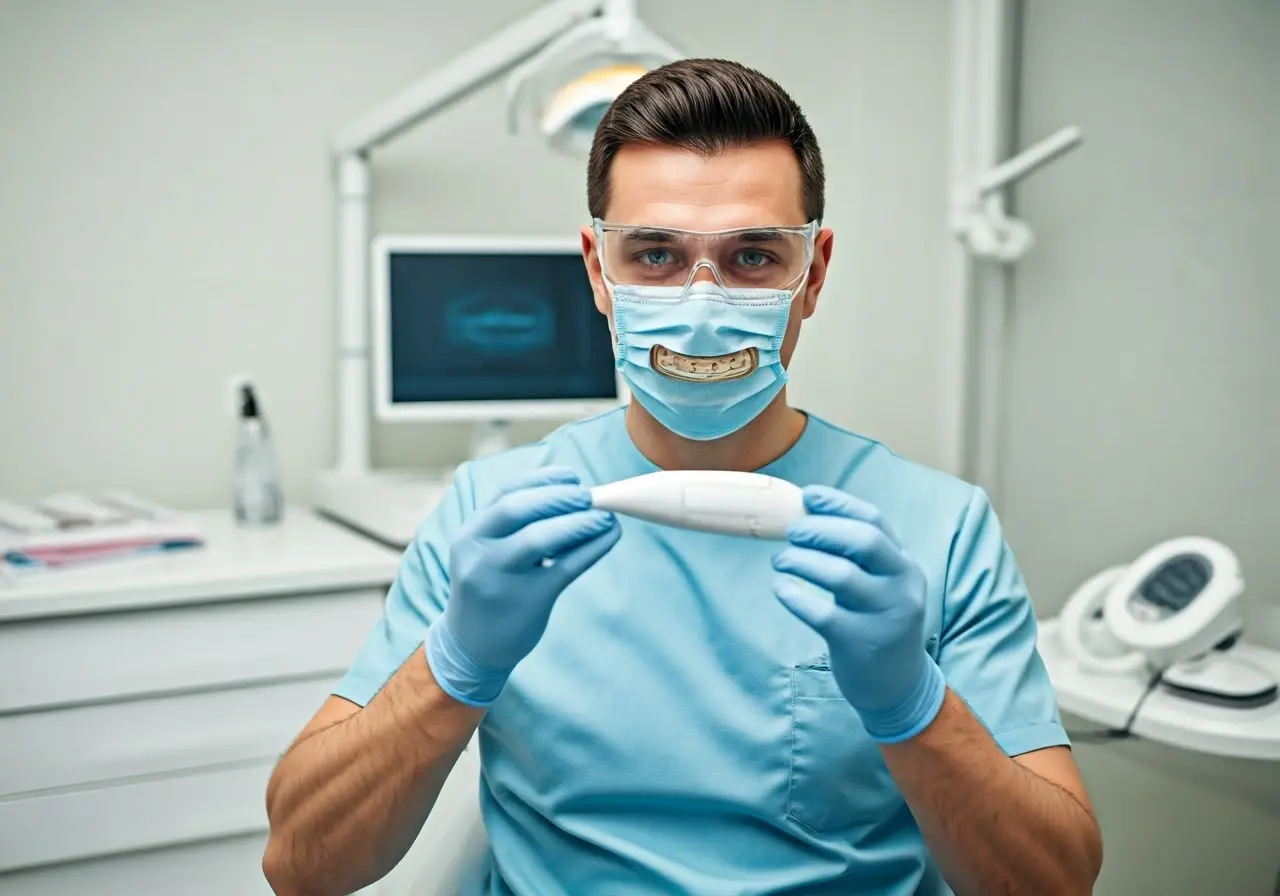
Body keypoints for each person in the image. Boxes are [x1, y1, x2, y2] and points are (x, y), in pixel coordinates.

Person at [263, 58, 1103, 896]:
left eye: (753, 257)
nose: (702, 304)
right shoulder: (495, 516)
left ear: (812, 272)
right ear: (597, 270)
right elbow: (303, 867)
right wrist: (453, 665)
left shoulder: (938, 529)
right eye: (656, 254)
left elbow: (1056, 884)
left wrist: (914, 706)